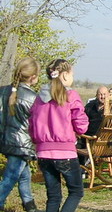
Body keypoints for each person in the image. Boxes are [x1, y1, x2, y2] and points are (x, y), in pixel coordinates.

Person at [29, 59, 89, 212]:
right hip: (65, 151)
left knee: (54, 196)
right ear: (64, 75)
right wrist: (79, 128)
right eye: (72, 74)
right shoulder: (71, 95)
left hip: (43, 152)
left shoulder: (39, 98)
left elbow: (32, 123)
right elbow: (81, 125)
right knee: (76, 192)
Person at [0, 58, 43, 212]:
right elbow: (37, 123)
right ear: (33, 77)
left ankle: (29, 205)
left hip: (6, 139)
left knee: (24, 175)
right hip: (22, 143)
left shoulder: (4, 90)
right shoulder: (32, 98)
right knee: (10, 178)